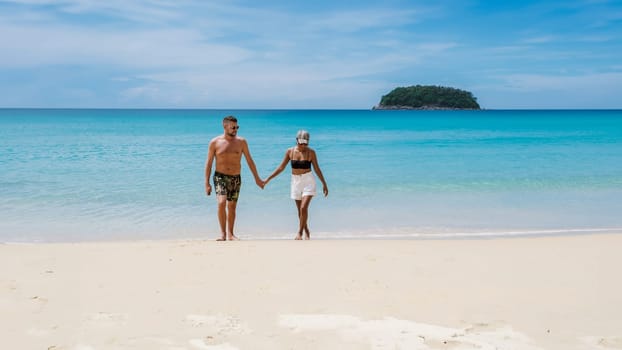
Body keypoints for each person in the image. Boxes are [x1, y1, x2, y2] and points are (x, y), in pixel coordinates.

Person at [205, 115, 264, 240]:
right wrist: (207, 183)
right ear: (225, 126)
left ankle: (231, 234)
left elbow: (250, 161)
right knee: (221, 202)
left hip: (236, 178)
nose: (235, 129)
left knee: (232, 206)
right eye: (233, 127)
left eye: (237, 127)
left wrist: (257, 178)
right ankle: (223, 234)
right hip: (220, 177)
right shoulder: (215, 142)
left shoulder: (241, 142)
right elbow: (209, 163)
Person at [264, 130, 328, 240]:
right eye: (301, 142)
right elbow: (281, 168)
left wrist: (324, 183)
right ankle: (306, 230)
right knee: (300, 211)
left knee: (304, 208)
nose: (303, 145)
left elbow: (317, 169)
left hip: (308, 181)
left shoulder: (311, 153)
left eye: (305, 143)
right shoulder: (290, 151)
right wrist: (267, 179)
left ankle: (299, 232)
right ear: (296, 140)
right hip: (295, 182)